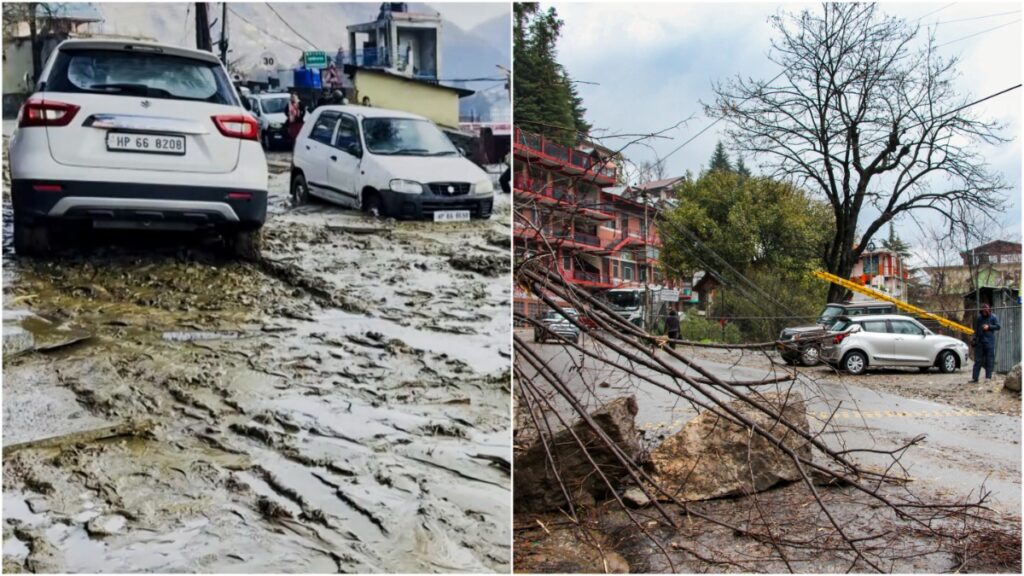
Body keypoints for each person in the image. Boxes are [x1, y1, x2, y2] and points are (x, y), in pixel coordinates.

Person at [970, 303, 1000, 382]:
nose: (984, 313)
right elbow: (976, 330)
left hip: (989, 342)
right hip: (980, 342)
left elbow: (998, 326)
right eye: (983, 311)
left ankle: (988, 377)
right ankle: (975, 378)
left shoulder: (993, 317)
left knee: (989, 360)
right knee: (978, 361)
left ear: (988, 310)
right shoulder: (979, 318)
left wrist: (989, 327)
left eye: (985, 311)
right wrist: (974, 338)